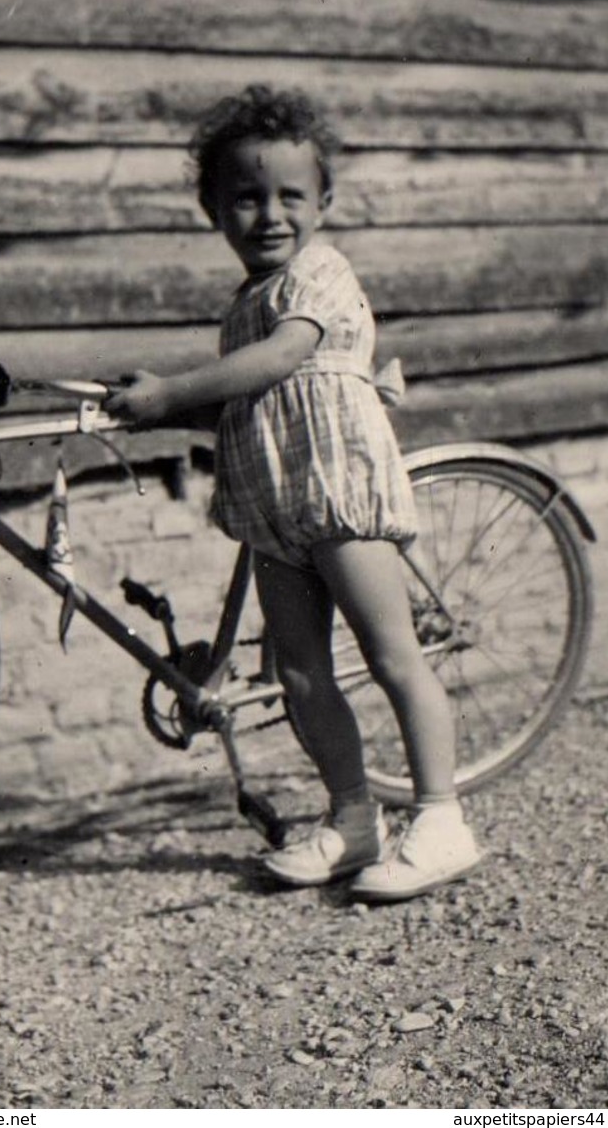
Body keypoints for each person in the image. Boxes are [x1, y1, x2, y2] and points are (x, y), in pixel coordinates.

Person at [107, 84, 481, 901]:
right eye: (245, 198)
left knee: (390, 656)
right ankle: (352, 818)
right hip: (273, 504)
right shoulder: (241, 309)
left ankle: (442, 815)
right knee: (304, 673)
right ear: (212, 209)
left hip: (338, 488)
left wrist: (171, 393)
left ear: (324, 204)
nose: (270, 215)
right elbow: (244, 398)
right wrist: (160, 413)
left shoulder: (318, 273)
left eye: (290, 197)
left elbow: (286, 361)